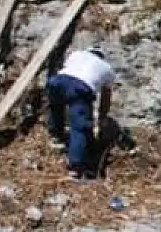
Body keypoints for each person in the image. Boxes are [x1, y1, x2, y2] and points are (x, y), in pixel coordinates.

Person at [46, 45, 115, 179]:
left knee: (56, 107)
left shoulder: (76, 54)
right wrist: (102, 117)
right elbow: (105, 98)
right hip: (80, 87)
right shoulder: (107, 69)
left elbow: (66, 72)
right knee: (79, 127)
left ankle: (56, 136)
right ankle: (75, 167)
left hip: (57, 81)